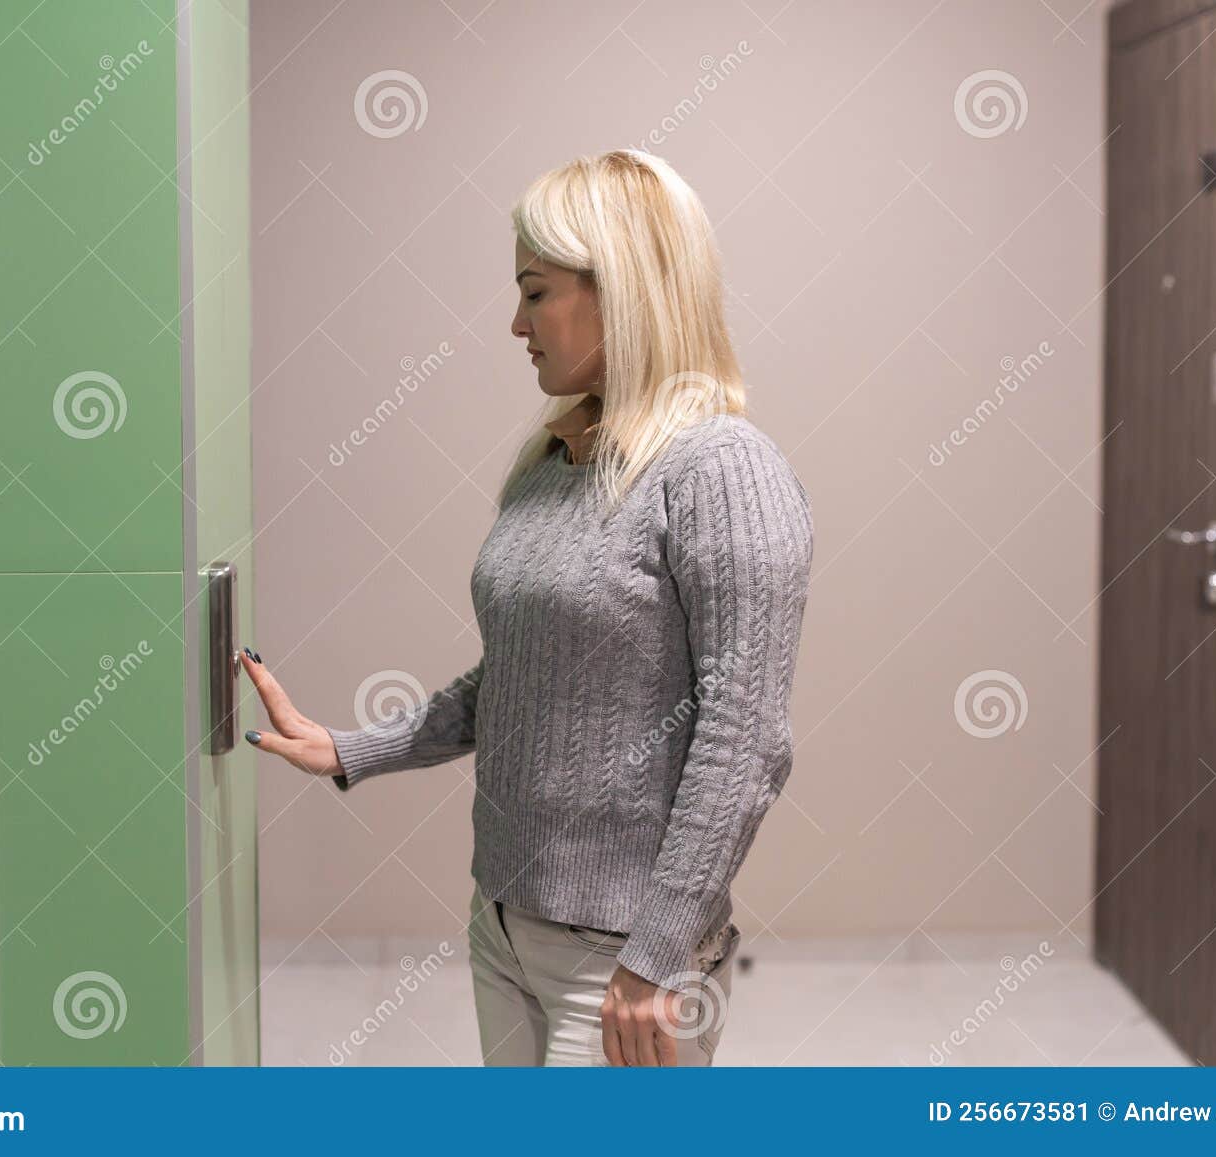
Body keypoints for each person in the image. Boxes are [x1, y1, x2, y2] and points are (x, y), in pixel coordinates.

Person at [241, 148, 815, 1067]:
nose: (516, 322)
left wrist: (658, 957)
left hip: (622, 956)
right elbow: (517, 676)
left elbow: (743, 740)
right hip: (501, 923)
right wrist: (353, 747)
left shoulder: (722, 470)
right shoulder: (552, 461)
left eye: (535, 290)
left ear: (621, 289)